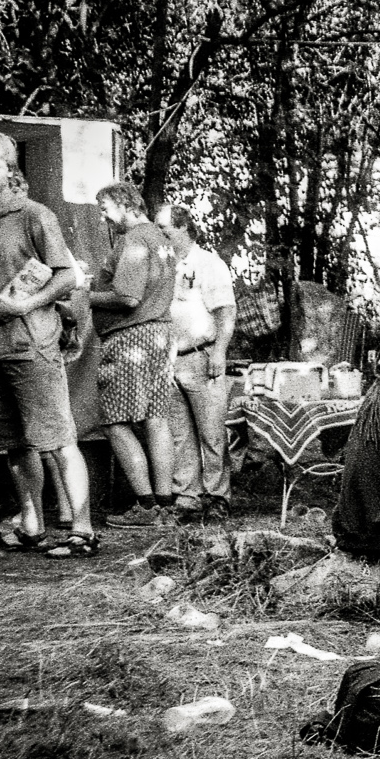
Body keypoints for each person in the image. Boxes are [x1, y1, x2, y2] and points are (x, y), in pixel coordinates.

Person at [0, 130, 98, 558]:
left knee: (58, 439)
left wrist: (26, 305)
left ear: (9, 169)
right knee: (13, 445)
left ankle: (83, 531)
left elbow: (68, 275)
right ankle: (31, 526)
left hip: (33, 345)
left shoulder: (36, 215)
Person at [88, 183, 180, 528]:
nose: (103, 217)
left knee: (115, 422)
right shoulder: (161, 238)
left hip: (131, 339)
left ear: (125, 206)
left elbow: (127, 297)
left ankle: (145, 506)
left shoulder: (133, 239)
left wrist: (84, 294)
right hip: (160, 334)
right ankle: (165, 506)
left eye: (105, 209)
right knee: (156, 419)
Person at [156, 204, 236, 524]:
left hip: (201, 355)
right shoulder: (162, 265)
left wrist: (219, 352)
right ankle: (187, 496)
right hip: (168, 359)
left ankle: (217, 496)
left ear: (183, 228)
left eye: (164, 228)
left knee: (212, 432)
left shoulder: (208, 264)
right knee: (179, 433)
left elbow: (225, 312)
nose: (159, 234)